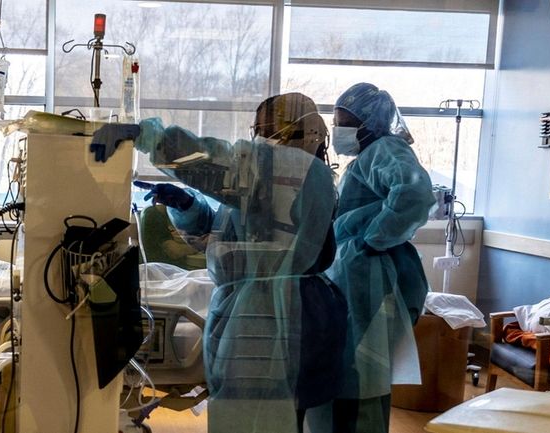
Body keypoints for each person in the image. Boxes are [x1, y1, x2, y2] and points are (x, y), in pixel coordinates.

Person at [91, 92, 347, 433]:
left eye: (268, 125)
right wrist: (187, 206)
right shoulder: (274, 176)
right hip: (261, 306)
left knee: (261, 419)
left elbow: (212, 162)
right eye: (258, 126)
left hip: (274, 316)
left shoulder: (295, 170)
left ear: (296, 129)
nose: (259, 134)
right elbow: (228, 227)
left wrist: (148, 137)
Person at [313, 82, 436, 433]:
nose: (339, 131)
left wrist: (373, 240)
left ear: (370, 122)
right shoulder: (365, 160)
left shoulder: (386, 149)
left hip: (369, 272)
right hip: (356, 269)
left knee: (362, 368)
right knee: (351, 367)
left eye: (345, 121)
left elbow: (413, 193)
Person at [139, 203, 205, 270]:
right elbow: (174, 252)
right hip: (165, 270)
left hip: (166, 268)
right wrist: (199, 247)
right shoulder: (153, 215)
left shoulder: (156, 212)